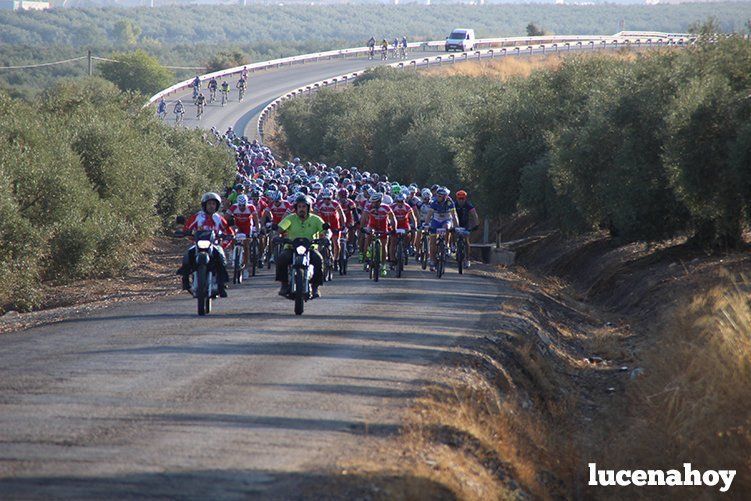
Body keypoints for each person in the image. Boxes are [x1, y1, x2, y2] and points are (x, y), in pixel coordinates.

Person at [177, 192, 233, 297]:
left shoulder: (219, 218)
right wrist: (186, 233)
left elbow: (229, 232)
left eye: (214, 204)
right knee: (187, 257)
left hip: (214, 245)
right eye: (209, 204)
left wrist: (225, 242)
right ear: (204, 205)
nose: (211, 206)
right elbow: (187, 228)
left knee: (222, 259)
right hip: (198, 245)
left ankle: (221, 285)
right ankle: (185, 281)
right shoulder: (197, 217)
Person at [275, 195, 327, 298]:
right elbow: (280, 229)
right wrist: (277, 236)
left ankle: (315, 287)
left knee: (319, 259)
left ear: (308, 208)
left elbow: (324, 231)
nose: (301, 209)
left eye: (304, 207)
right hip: (291, 248)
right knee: (281, 259)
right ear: (296, 208)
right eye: (299, 207)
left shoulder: (316, 219)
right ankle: (284, 285)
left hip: (310, 248)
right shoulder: (290, 218)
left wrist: (325, 238)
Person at [363, 192, 396, 277]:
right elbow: (363, 217)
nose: (373, 204)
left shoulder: (386, 207)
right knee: (368, 239)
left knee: (384, 246)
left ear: (379, 201)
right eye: (372, 202)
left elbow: (393, 219)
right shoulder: (368, 207)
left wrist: (394, 229)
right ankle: (366, 258)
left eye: (375, 202)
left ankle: (383, 266)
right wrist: (362, 227)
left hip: (383, 227)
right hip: (372, 226)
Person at [426, 187, 458, 272]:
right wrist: (426, 224)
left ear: (446, 196)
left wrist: (456, 226)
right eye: (438, 195)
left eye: (441, 196)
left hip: (446, 220)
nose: (439, 197)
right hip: (436, 221)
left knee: (447, 227)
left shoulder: (450, 202)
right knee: (432, 242)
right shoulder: (434, 202)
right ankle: (432, 260)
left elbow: (454, 215)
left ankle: (446, 245)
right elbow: (429, 214)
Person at [227, 194, 259, 280]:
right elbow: (225, 219)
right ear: (237, 204)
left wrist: (257, 230)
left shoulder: (251, 207)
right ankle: (232, 251)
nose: (241, 207)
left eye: (243, 206)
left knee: (246, 245)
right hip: (238, 225)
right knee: (232, 236)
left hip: (248, 226)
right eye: (240, 206)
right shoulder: (233, 207)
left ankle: (246, 268)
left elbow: (256, 219)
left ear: (246, 203)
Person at [314, 188, 347, 266]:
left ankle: (336, 260)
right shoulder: (319, 204)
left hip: (335, 225)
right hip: (323, 225)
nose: (326, 201)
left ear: (331, 198)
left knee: (336, 243)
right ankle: (319, 260)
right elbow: (314, 215)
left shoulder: (335, 204)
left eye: (328, 199)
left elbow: (342, 216)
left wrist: (343, 225)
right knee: (320, 243)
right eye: (325, 199)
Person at [389, 193, 417, 266]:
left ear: (405, 201)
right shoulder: (392, 207)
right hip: (395, 224)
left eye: (402, 201)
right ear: (396, 201)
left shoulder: (407, 207)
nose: (400, 203)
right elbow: (388, 217)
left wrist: (415, 226)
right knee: (393, 242)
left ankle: (407, 247)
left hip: (404, 224)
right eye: (399, 201)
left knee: (408, 234)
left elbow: (413, 219)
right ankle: (392, 259)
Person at [454, 190, 479, 268]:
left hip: (465, 224)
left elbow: (474, 214)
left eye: (463, 198)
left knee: (466, 241)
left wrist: (476, 224)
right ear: (457, 198)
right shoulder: (454, 204)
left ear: (465, 198)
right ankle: (452, 246)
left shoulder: (468, 205)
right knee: (452, 233)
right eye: (459, 198)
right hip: (456, 223)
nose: (461, 200)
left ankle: (467, 259)